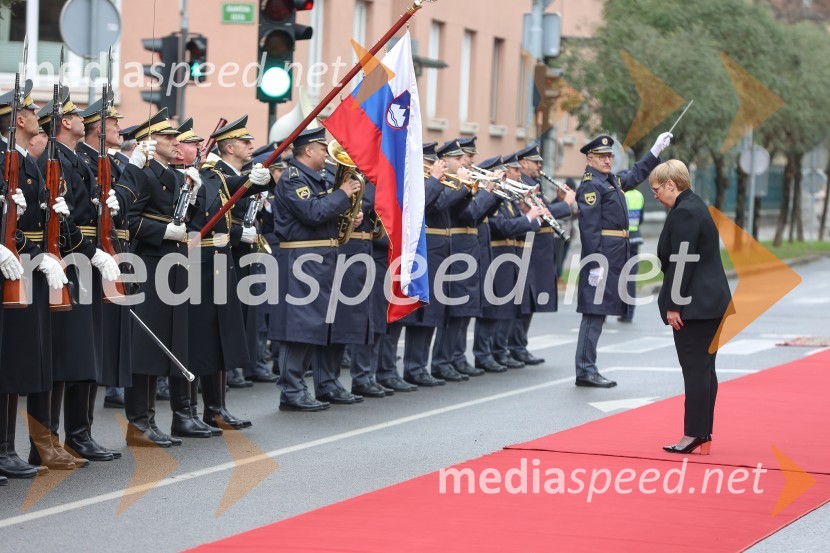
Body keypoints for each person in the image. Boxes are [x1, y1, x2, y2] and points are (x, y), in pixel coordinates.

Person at [270, 126, 363, 411]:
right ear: (308, 150)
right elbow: (312, 212)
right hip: (301, 259)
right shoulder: (292, 178)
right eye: (323, 148)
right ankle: (291, 390)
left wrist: (348, 218)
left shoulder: (318, 177)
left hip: (321, 256)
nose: (327, 153)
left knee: (314, 325)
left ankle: (308, 386)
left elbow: (322, 214)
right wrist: (343, 194)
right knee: (297, 327)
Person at [573, 132, 670, 388]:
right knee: (593, 314)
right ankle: (585, 370)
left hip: (614, 254)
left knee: (600, 313)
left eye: (610, 156)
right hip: (602, 255)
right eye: (602, 156)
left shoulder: (608, 181)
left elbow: (635, 175)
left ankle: (588, 367)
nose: (607, 160)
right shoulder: (591, 185)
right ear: (590, 158)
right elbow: (589, 229)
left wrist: (654, 151)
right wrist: (594, 264)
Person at [652, 160, 732, 454]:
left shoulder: (685, 212)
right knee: (705, 370)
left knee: (695, 371)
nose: (655, 195)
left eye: (657, 189)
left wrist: (674, 305)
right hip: (710, 303)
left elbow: (682, 262)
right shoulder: (695, 204)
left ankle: (694, 434)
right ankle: (703, 434)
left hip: (695, 306)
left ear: (671, 184)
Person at [618, 186, 645, 322]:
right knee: (631, 276)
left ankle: (613, 310)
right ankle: (629, 313)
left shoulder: (623, 195)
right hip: (635, 237)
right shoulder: (639, 195)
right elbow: (641, 218)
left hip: (623, 237)